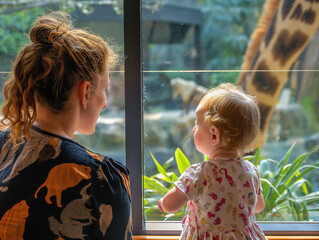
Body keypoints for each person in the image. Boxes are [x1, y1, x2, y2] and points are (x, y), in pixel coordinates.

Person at [0, 11, 132, 240]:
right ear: (85, 91)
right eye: (104, 89)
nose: (105, 102)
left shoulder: (4, 145)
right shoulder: (99, 177)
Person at [158, 83, 267, 240]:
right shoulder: (251, 170)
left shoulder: (199, 174)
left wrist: (163, 203)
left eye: (197, 123)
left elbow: (170, 205)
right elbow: (258, 206)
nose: (194, 129)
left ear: (214, 135)